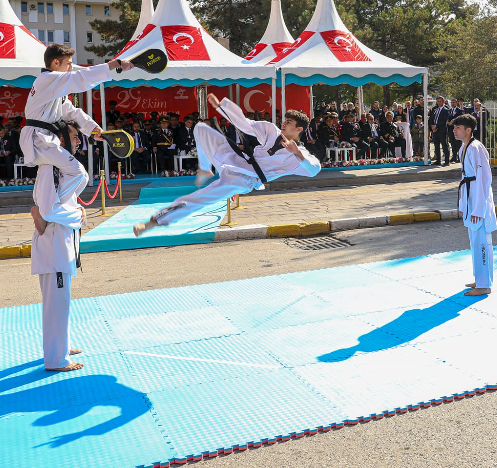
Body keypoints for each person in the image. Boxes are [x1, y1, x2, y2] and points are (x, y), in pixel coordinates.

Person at [134, 96, 321, 237]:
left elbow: (314, 170)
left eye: (289, 123)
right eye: (285, 120)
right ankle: (205, 168)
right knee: (201, 129)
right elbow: (244, 123)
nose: (283, 123)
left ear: (299, 130)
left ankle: (154, 222)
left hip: (244, 179)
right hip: (236, 160)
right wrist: (222, 106)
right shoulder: (272, 130)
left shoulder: (300, 155)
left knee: (201, 198)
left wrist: (297, 153)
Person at [20, 44, 133, 200]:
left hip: (42, 140)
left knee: (50, 179)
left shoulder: (53, 86)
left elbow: (71, 112)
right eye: (68, 63)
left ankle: (47, 209)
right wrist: (113, 64)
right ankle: (56, 207)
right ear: (55, 63)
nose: (71, 68)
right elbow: (80, 78)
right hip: (39, 140)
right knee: (78, 174)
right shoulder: (48, 79)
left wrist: (93, 129)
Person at [28, 123, 87, 372]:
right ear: (60, 140)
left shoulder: (60, 169)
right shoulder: (49, 169)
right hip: (54, 247)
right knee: (56, 304)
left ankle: (62, 345)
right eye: (74, 137)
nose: (78, 142)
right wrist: (78, 215)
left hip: (60, 243)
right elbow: (47, 210)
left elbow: (50, 210)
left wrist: (75, 212)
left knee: (61, 301)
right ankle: (56, 358)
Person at [454, 114, 496, 297]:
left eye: (458, 127)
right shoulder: (464, 147)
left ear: (468, 130)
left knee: (482, 243)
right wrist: (465, 205)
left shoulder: (476, 148)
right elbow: (466, 178)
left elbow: (483, 179)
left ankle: (485, 284)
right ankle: (480, 279)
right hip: (470, 196)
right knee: (474, 241)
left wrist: (479, 208)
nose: (455, 130)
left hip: (479, 199)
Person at [429, 96, 451, 166]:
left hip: (442, 130)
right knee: (436, 145)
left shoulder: (446, 110)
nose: (439, 103)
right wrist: (432, 126)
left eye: (440, 101)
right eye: (437, 101)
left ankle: (447, 161)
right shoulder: (435, 109)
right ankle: (438, 160)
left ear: (443, 102)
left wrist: (436, 126)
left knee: (444, 145)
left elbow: (444, 120)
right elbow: (431, 118)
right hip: (435, 130)